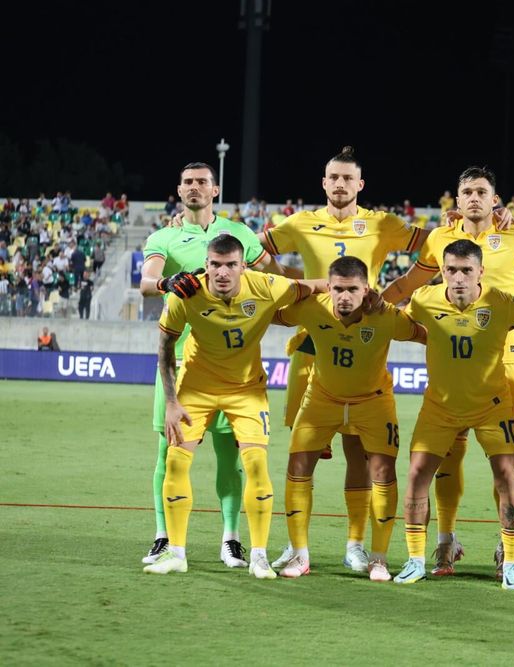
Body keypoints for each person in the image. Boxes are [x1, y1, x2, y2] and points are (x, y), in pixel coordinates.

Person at [381, 166, 514, 577]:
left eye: (482, 191)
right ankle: (445, 542)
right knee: (447, 457)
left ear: (496, 199)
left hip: (507, 356)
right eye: (467, 192)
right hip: (454, 358)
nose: (474, 198)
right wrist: (368, 306)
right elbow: (410, 284)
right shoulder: (440, 238)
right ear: (455, 201)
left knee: (508, 463)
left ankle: (505, 546)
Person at [262, 147, 426, 575]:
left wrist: (390, 296)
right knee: (303, 453)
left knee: (359, 451)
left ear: (360, 184)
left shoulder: (381, 223)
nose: (339, 184)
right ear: (323, 182)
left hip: (367, 335)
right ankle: (298, 545)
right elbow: (254, 250)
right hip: (312, 340)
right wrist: (292, 285)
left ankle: (356, 544)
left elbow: (433, 247)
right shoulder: (300, 222)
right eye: (332, 177)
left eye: (347, 178)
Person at [144, 235, 322, 577]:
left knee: (256, 464)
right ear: (206, 265)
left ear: (243, 266)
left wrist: (356, 290)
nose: (222, 273)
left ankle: (258, 556)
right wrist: (170, 402)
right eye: (215, 265)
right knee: (176, 462)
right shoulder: (186, 293)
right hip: (196, 387)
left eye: (230, 265)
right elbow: (165, 346)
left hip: (246, 390)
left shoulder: (266, 285)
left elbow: (311, 287)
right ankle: (176, 553)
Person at [138, 162, 285, 567]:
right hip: (176, 361)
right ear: (179, 189)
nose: (195, 188)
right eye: (187, 182)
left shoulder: (239, 235)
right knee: (168, 452)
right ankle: (163, 536)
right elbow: (147, 284)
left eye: (202, 181)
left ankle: (231, 539)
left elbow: (273, 275)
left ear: (214, 189)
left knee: (230, 455)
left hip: (230, 364)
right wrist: (168, 282)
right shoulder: (163, 237)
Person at [272, 256, 427, 582]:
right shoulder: (313, 307)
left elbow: (427, 335)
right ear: (329, 286)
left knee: (382, 471)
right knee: (297, 466)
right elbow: (269, 313)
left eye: (352, 289)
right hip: (321, 399)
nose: (344, 296)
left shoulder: (386, 316)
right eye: (338, 288)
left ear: (366, 289)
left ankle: (379, 558)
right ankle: (300, 554)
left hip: (372, 403)